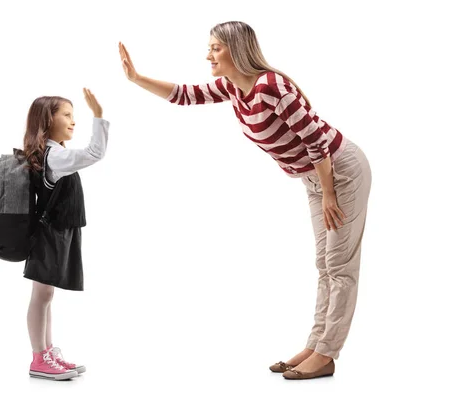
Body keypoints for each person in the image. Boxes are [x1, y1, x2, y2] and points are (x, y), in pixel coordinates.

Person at [119, 21, 372, 380]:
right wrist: (137, 78)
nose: (208, 54)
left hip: (340, 172)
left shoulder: (272, 86)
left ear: (237, 50)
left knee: (340, 263)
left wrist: (329, 192)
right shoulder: (233, 87)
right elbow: (184, 95)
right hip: (315, 178)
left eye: (215, 48)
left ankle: (328, 353)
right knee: (324, 261)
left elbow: (315, 139)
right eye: (209, 47)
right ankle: (316, 345)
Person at [21, 89, 109, 380]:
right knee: (43, 294)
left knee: (45, 295)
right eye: (67, 115)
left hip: (56, 231)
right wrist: (99, 115)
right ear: (49, 119)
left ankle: (46, 352)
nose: (73, 122)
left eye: (75, 116)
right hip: (51, 232)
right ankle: (39, 358)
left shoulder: (52, 152)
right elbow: (94, 153)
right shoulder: (55, 156)